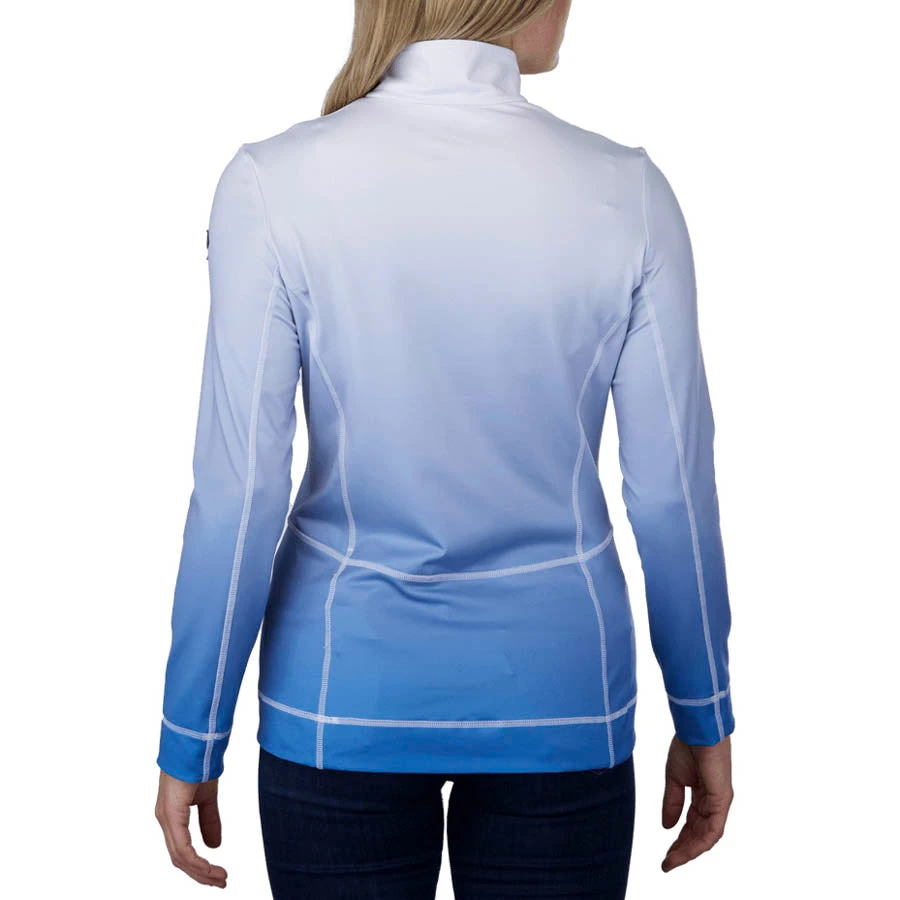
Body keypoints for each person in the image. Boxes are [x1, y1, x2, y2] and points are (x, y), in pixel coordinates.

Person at [154, 1, 735, 896]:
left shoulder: (272, 184)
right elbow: (672, 496)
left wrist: (191, 731)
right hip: (561, 693)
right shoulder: (628, 193)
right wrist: (703, 710)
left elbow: (238, 494)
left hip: (339, 696)